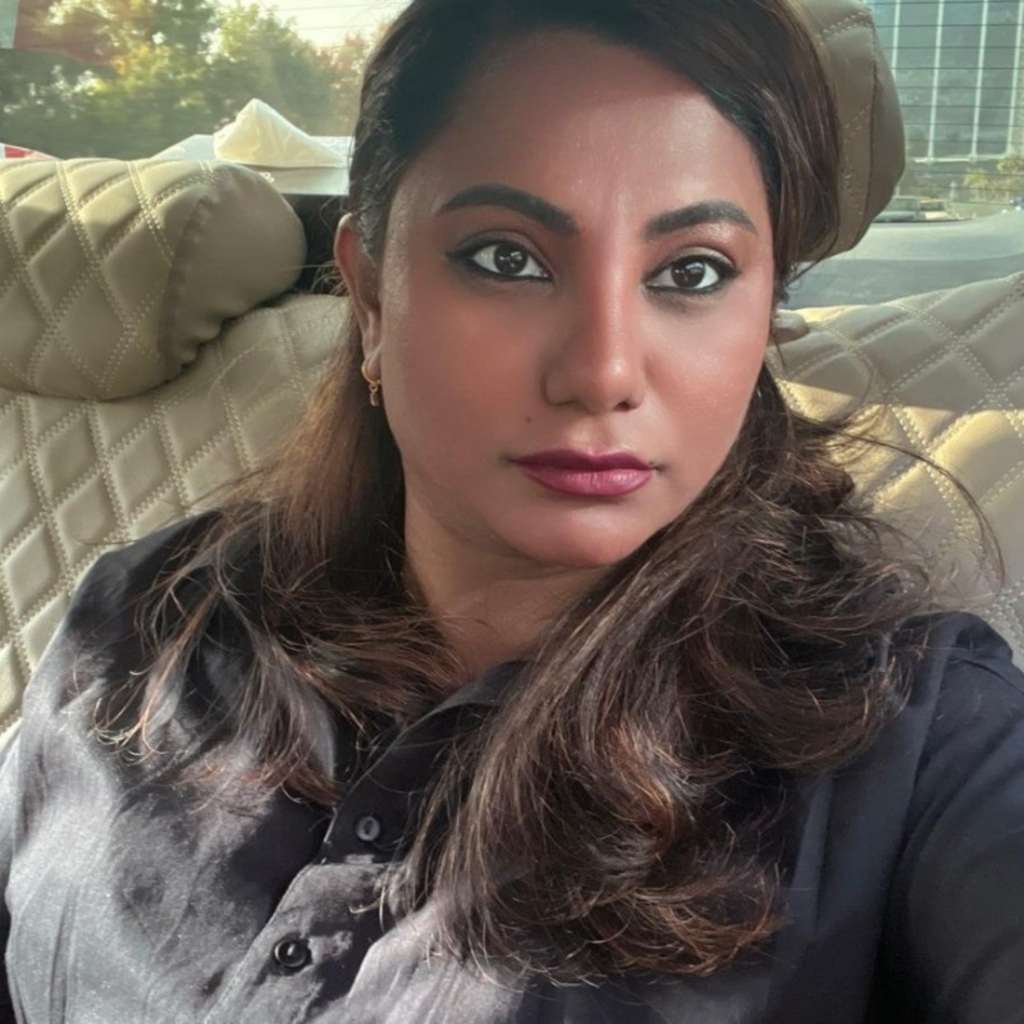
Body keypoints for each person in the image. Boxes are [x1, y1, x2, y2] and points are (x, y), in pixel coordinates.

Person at [3, 0, 1024, 1020]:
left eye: (692, 272)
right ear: (371, 299)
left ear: (762, 321)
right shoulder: (141, 618)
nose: (603, 373)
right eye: (507, 258)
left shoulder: (920, 732)